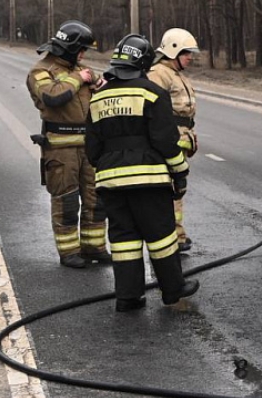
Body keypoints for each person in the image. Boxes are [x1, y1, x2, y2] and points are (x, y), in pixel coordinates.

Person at [85, 34, 199, 312]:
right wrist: (180, 172)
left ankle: (128, 297)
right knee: (161, 236)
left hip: (110, 182)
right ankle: (173, 290)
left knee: (124, 240)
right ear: (144, 63)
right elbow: (165, 141)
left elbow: (92, 150)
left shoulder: (98, 98)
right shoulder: (151, 92)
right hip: (149, 180)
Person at [25, 20, 109, 268]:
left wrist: (100, 85)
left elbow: (97, 86)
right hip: (61, 151)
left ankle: (94, 247)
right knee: (67, 201)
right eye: (81, 49)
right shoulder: (41, 71)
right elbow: (52, 96)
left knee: (96, 199)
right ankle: (69, 252)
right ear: (70, 48)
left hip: (90, 148)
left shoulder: (81, 69)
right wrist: (78, 78)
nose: (83, 55)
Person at [147, 28, 200, 253]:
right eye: (186, 52)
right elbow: (155, 111)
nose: (190, 57)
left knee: (177, 189)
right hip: (169, 141)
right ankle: (173, 237)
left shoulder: (176, 74)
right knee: (172, 189)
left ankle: (176, 234)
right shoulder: (159, 73)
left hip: (181, 139)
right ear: (173, 51)